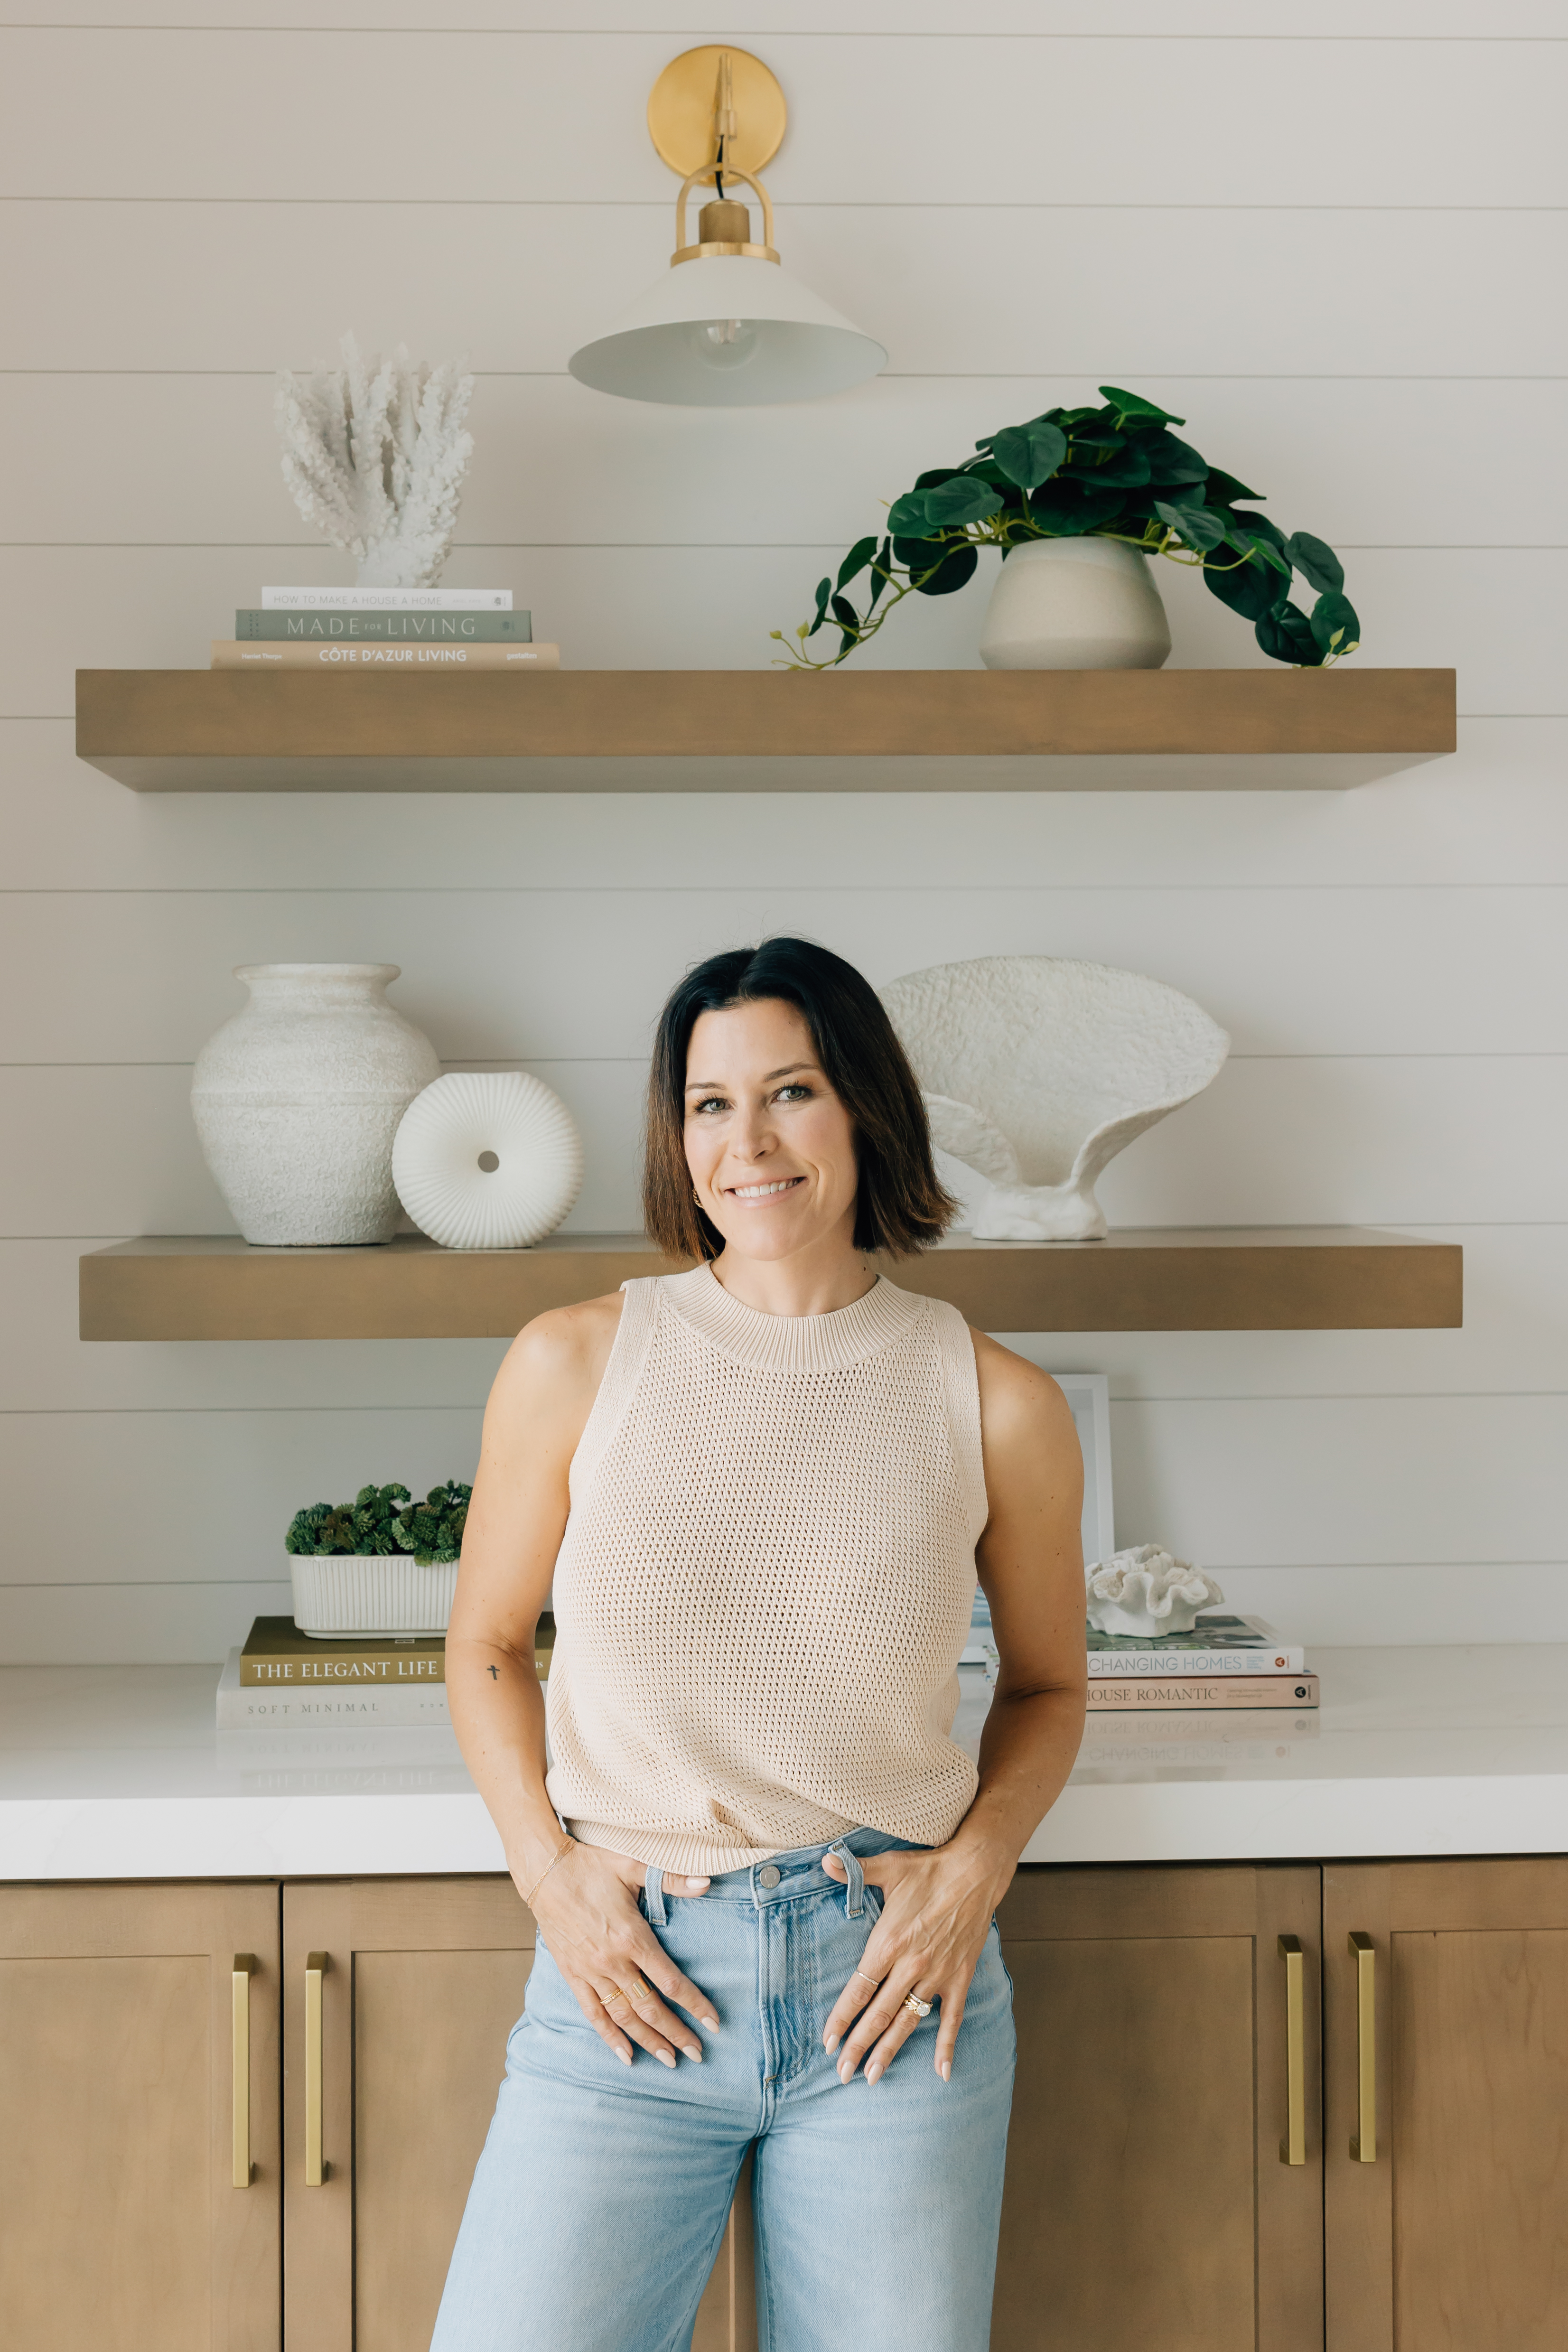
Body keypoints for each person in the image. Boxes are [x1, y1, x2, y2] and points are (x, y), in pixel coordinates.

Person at [432, 936, 1087, 2352]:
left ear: (862, 1106)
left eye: (789, 1090)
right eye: (711, 1103)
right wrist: (550, 1878)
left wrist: (976, 1868)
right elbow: (485, 1641)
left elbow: (1046, 1685)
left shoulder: (998, 1399)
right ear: (680, 1137)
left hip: (890, 1991)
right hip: (629, 1975)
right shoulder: (574, 1359)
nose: (750, 1140)